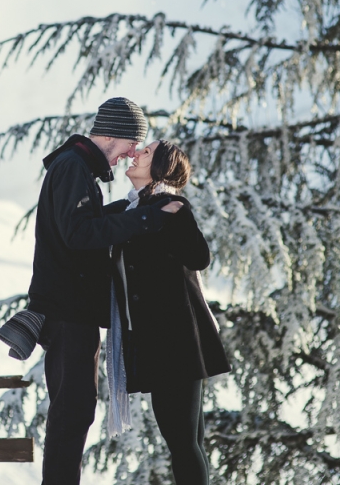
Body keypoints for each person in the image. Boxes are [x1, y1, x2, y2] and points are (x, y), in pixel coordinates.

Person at [30, 97, 180, 485]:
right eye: (133, 144)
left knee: (74, 411)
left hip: (71, 309)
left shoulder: (75, 168)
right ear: (112, 135)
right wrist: (146, 217)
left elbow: (84, 222)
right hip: (69, 312)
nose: (132, 155)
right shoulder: (72, 169)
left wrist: (129, 209)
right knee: (73, 412)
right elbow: (79, 234)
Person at [109, 141, 231, 485]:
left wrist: (176, 213)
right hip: (164, 342)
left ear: (160, 168)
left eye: (145, 153)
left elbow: (199, 258)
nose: (135, 154)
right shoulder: (133, 209)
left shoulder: (169, 205)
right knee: (187, 442)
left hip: (177, 342)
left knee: (182, 443)